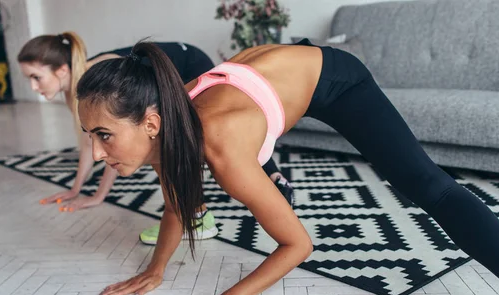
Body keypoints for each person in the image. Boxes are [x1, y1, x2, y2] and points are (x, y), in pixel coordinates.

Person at [76, 39, 499, 295]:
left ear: (150, 122)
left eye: (103, 135)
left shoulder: (220, 145)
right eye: (89, 136)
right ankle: (272, 174)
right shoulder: (168, 134)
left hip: (333, 77)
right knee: (241, 169)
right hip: (261, 82)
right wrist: (155, 270)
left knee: (428, 187)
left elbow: (298, 245)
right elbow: (174, 202)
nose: (96, 154)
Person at [16, 32, 295, 244]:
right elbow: (92, 145)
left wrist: (98, 195)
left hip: (189, 64)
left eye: (36, 77)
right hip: (173, 66)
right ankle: (274, 179)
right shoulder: (82, 88)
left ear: (61, 71)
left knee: (191, 138)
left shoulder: (98, 81)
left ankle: (198, 217)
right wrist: (78, 190)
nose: (33, 86)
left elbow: (116, 143)